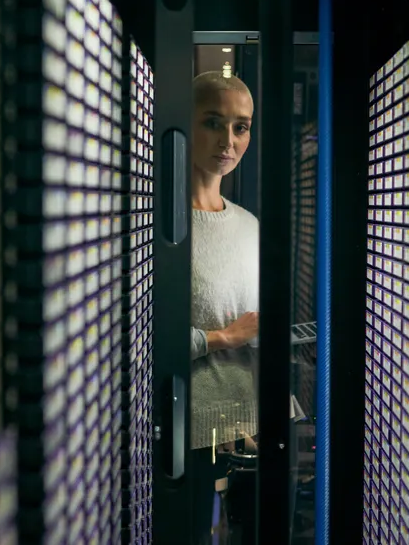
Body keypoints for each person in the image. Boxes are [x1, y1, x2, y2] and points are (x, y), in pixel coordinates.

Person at [187, 70, 261, 539]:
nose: (228, 141)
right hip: (189, 438)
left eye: (241, 127)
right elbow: (135, 337)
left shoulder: (251, 226)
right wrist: (221, 337)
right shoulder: (154, 224)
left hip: (251, 429)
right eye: (214, 122)